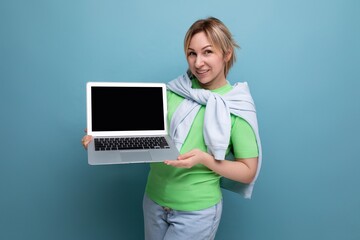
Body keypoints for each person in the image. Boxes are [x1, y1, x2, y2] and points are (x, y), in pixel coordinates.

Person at [82, 16, 261, 240]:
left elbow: (248, 171)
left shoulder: (236, 105)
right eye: (191, 53)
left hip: (197, 210)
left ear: (226, 54)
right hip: (154, 201)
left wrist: (204, 159)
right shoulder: (174, 91)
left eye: (207, 52)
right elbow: (138, 129)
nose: (198, 63)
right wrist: (100, 137)